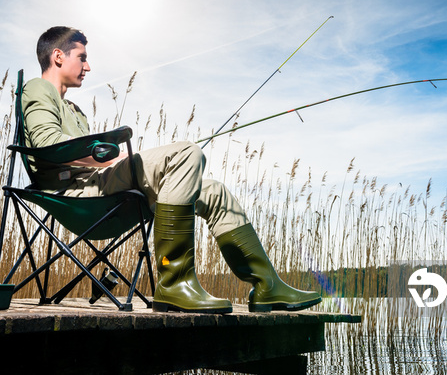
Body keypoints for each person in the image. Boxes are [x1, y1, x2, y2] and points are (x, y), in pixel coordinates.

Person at [21, 26, 321, 314]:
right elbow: (48, 144)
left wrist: (106, 155)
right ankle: (174, 283)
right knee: (187, 152)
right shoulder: (37, 88)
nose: (88, 67)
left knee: (214, 191)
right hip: (78, 195)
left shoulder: (75, 111)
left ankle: (267, 286)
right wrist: (105, 152)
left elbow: (83, 152)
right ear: (58, 56)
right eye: (82, 57)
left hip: (105, 186)